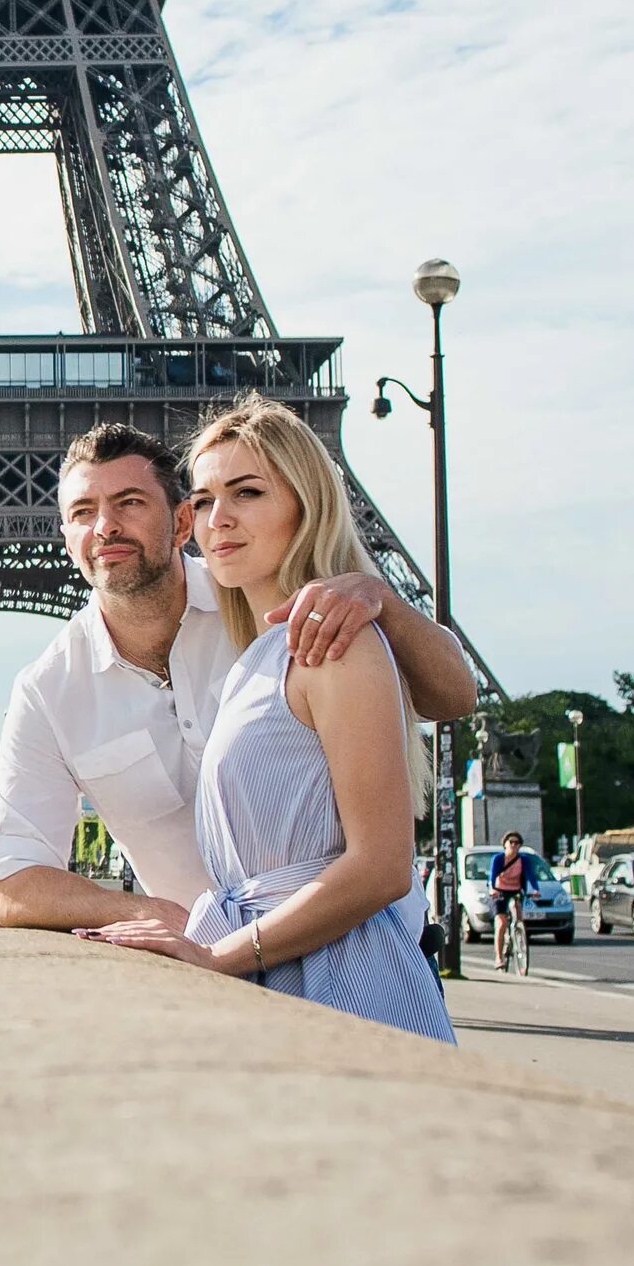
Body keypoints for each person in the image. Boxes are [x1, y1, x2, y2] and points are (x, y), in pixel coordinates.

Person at [0, 422, 477, 934]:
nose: (105, 526)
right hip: (217, 973)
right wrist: (160, 916)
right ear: (65, 536)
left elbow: (455, 699)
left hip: (361, 950)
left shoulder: (267, 601)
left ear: (179, 523)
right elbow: (11, 883)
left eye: (129, 502)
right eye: (82, 513)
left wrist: (384, 603)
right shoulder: (48, 691)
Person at [91, 397, 454, 1041]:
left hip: (339, 975)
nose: (218, 518)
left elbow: (380, 867)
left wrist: (216, 956)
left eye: (247, 492)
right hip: (291, 961)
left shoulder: (331, 646)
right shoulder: (262, 658)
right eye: (201, 501)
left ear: (305, 504)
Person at [489, 832, 530, 970]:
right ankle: (499, 957)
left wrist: (535, 890)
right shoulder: (498, 859)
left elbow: (531, 877)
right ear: (505, 844)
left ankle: (518, 931)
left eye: (517, 843)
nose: (513, 845)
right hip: (499, 891)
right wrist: (492, 889)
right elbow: (492, 877)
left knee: (517, 912)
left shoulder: (522, 860)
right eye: (511, 842)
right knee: (501, 924)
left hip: (515, 891)